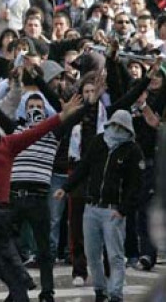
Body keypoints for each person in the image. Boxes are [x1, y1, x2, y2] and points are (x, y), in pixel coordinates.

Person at [55, 110, 143, 302]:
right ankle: (100, 290)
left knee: (115, 255)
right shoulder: (99, 142)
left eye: (121, 127)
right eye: (114, 125)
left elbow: (135, 185)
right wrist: (66, 187)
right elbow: (84, 167)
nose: (117, 130)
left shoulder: (132, 150)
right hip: (92, 207)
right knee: (92, 254)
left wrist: (123, 210)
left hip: (113, 210)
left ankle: (116, 294)